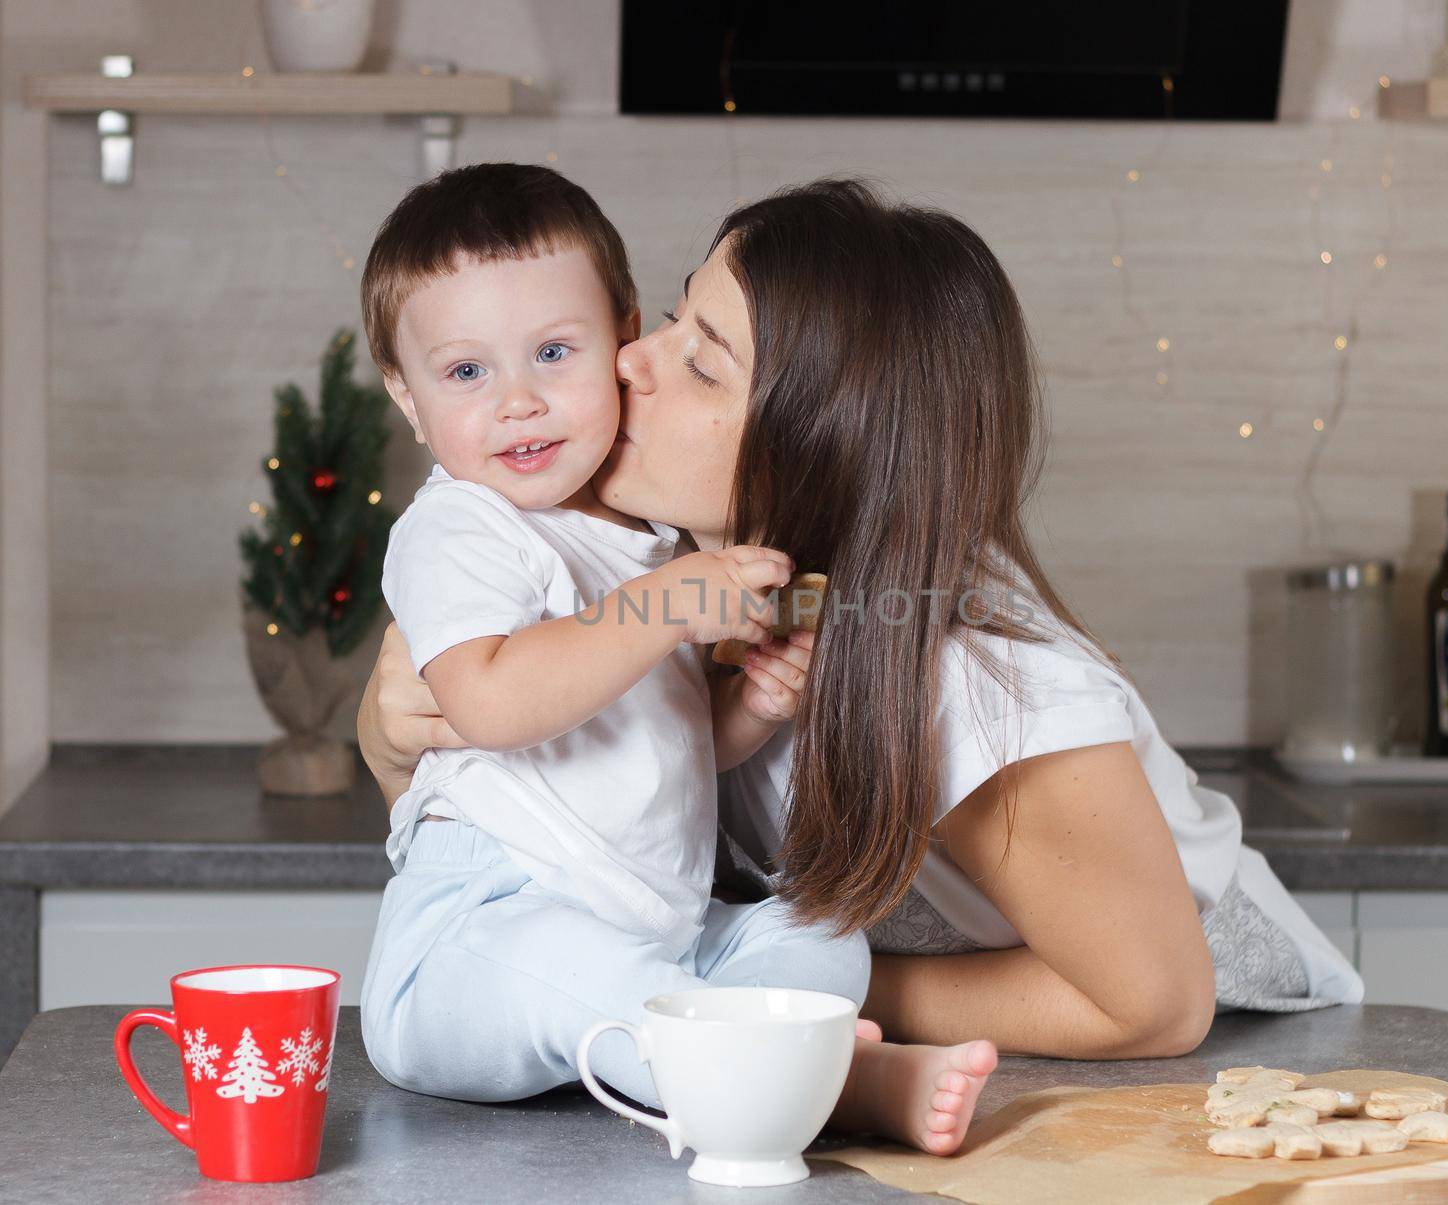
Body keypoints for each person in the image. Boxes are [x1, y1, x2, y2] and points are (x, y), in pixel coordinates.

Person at [359, 176, 1363, 1077]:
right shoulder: (661, 572)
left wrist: (762, 992)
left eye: (701, 364)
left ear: (821, 447)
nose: (628, 359)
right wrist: (392, 735)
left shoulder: (971, 679)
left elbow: (1149, 1000)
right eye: (668, 317)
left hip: (1219, 1049)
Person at [356, 164, 998, 1154]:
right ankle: (820, 1081)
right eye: (467, 373)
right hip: (476, 933)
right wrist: (660, 605)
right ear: (406, 397)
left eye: (554, 352)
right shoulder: (461, 529)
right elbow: (487, 703)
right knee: (566, 962)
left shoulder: (647, 533)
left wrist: (747, 707)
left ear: (617, 341)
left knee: (813, 933)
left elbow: (659, 747)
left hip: (654, 935)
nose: (519, 402)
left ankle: (786, 1066)